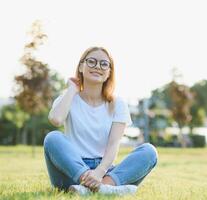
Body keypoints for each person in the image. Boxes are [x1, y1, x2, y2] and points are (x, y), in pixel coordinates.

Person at [43, 46, 158, 196]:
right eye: (91, 62)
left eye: (104, 64)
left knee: (149, 152)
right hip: (71, 170)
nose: (97, 66)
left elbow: (113, 145)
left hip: (104, 169)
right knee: (53, 138)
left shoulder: (118, 104)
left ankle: (98, 188)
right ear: (81, 66)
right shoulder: (68, 97)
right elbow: (56, 120)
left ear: (109, 72)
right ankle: (105, 189)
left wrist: (99, 172)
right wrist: (72, 88)